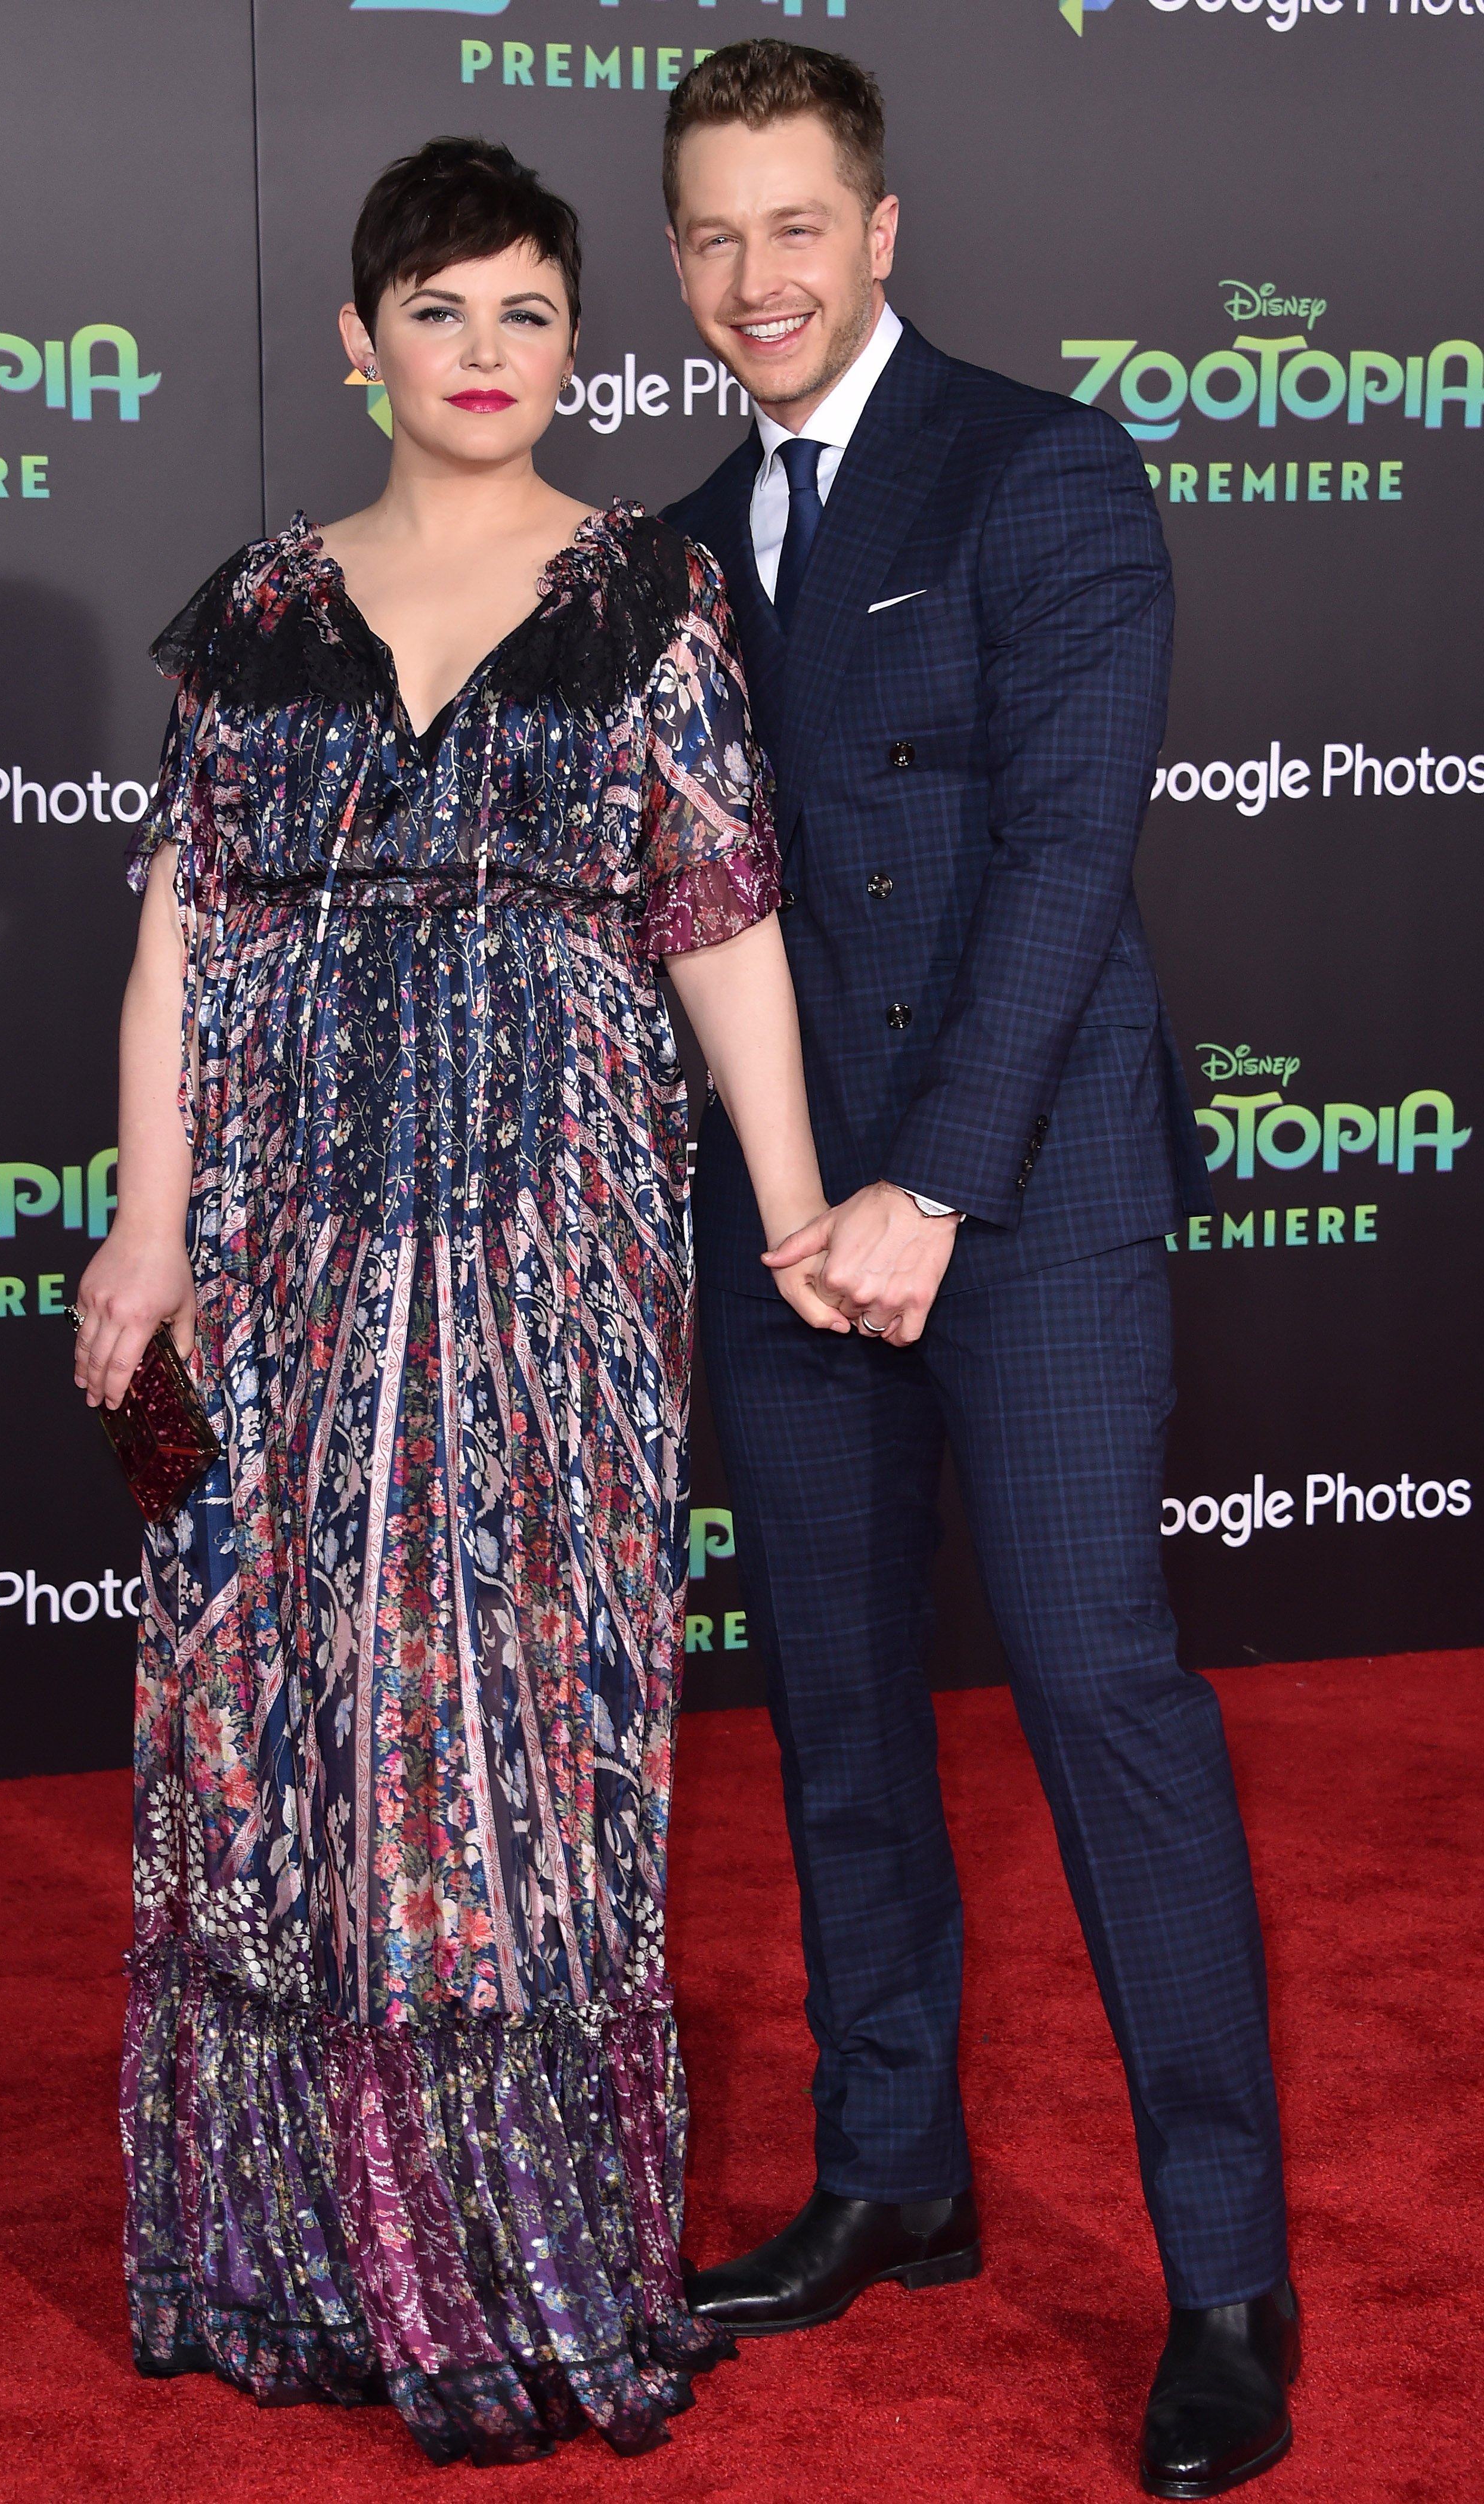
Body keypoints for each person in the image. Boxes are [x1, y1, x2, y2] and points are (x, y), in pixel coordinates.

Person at [72, 135, 843, 2469]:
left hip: (555, 1275)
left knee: (519, 1768)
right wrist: (142, 1227)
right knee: (286, 1748)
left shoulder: (652, 604)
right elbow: (179, 949)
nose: (487, 356)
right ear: (358, 341)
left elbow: (718, 927)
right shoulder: (257, 617)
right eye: (442, 313)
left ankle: (520, 2271)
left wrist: (796, 1217)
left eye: (527, 314)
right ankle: (302, 2267)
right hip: (284, 1268)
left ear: (569, 343)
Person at [661, 43, 1299, 2500]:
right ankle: (892, 2171)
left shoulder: (1044, 470)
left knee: (1099, 1691)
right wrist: (793, 1191)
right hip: (785, 1214)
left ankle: (1225, 2275)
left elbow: (1060, 852)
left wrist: (923, 1188)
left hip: (1009, 1205)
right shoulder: (687, 539)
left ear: (884, 229)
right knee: (834, 1714)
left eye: (794, 228)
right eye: (710, 238)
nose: (754, 282)